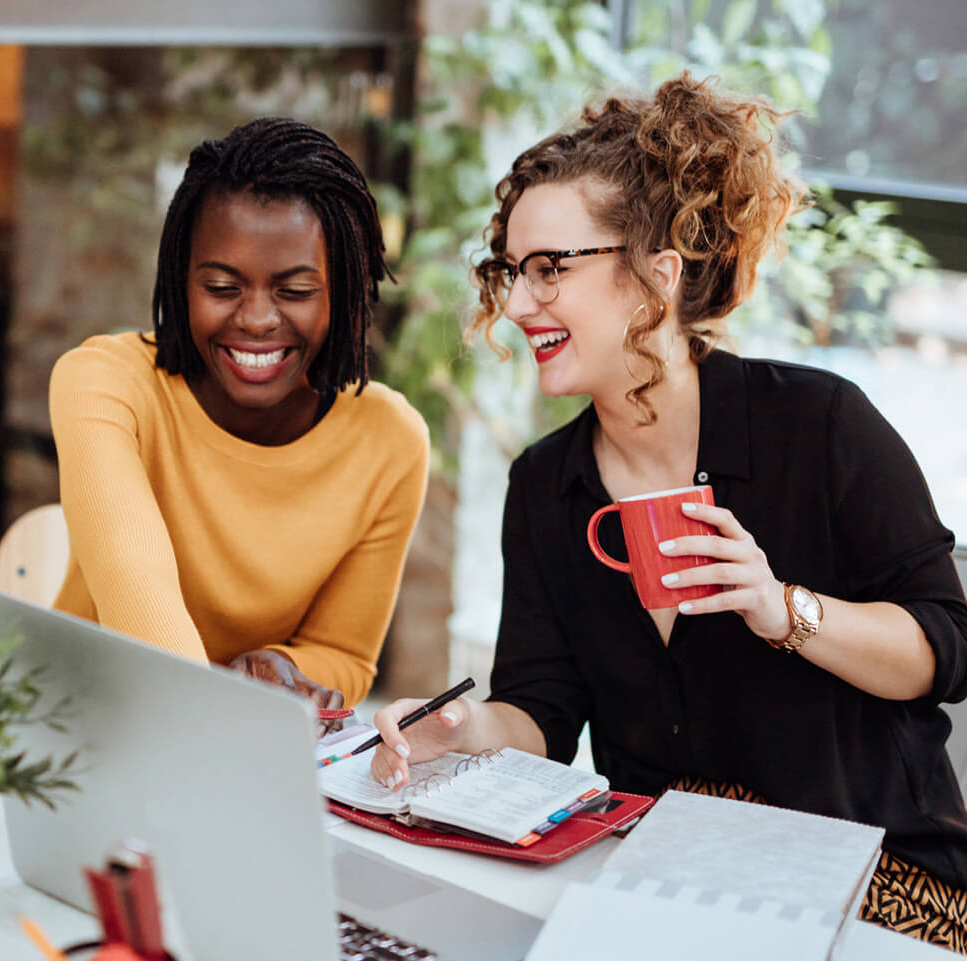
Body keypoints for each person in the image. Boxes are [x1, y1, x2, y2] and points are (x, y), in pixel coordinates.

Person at [368, 74, 967, 950]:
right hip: (674, 879)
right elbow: (543, 710)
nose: (521, 301)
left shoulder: (821, 425)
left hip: (876, 881)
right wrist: (455, 732)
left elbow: (945, 651)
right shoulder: (545, 484)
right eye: (513, 271)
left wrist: (782, 609)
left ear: (659, 273)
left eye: (550, 269)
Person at [48, 116, 430, 720]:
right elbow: (136, 590)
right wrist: (221, 699)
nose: (255, 320)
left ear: (346, 292)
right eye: (222, 286)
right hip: (83, 725)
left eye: (296, 291)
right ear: (181, 281)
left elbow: (342, 655)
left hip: (243, 746)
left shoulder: (390, 442)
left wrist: (284, 669)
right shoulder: (104, 384)